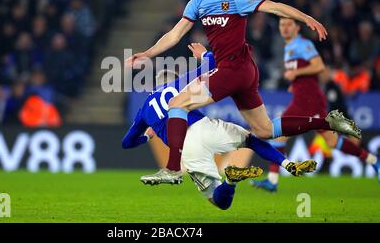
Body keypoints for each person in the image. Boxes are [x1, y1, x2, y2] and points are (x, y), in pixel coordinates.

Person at [125, 0, 361, 182]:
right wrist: (147, 53)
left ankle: (173, 169)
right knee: (265, 130)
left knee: (177, 104)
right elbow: (174, 35)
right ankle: (328, 122)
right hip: (244, 72)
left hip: (232, 69)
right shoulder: (197, 2)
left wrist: (307, 18)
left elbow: (276, 7)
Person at [122, 43, 316, 209]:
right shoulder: (181, 83)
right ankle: (287, 164)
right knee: (251, 140)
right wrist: (204, 54)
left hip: (187, 149)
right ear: (172, 79)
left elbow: (127, 143)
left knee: (219, 201)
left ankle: (230, 180)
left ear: (155, 86)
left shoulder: (144, 110)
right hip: (205, 127)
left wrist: (148, 135)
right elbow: (219, 62)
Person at [251, 18, 380, 191]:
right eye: (282, 25)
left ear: (297, 28)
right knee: (332, 141)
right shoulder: (289, 48)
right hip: (305, 99)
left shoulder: (302, 45)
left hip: (308, 101)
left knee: (277, 134)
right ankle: (373, 160)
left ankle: (273, 181)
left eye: (289, 25)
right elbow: (305, 75)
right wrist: (295, 83)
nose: (285, 28)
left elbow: (318, 66)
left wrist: (296, 72)